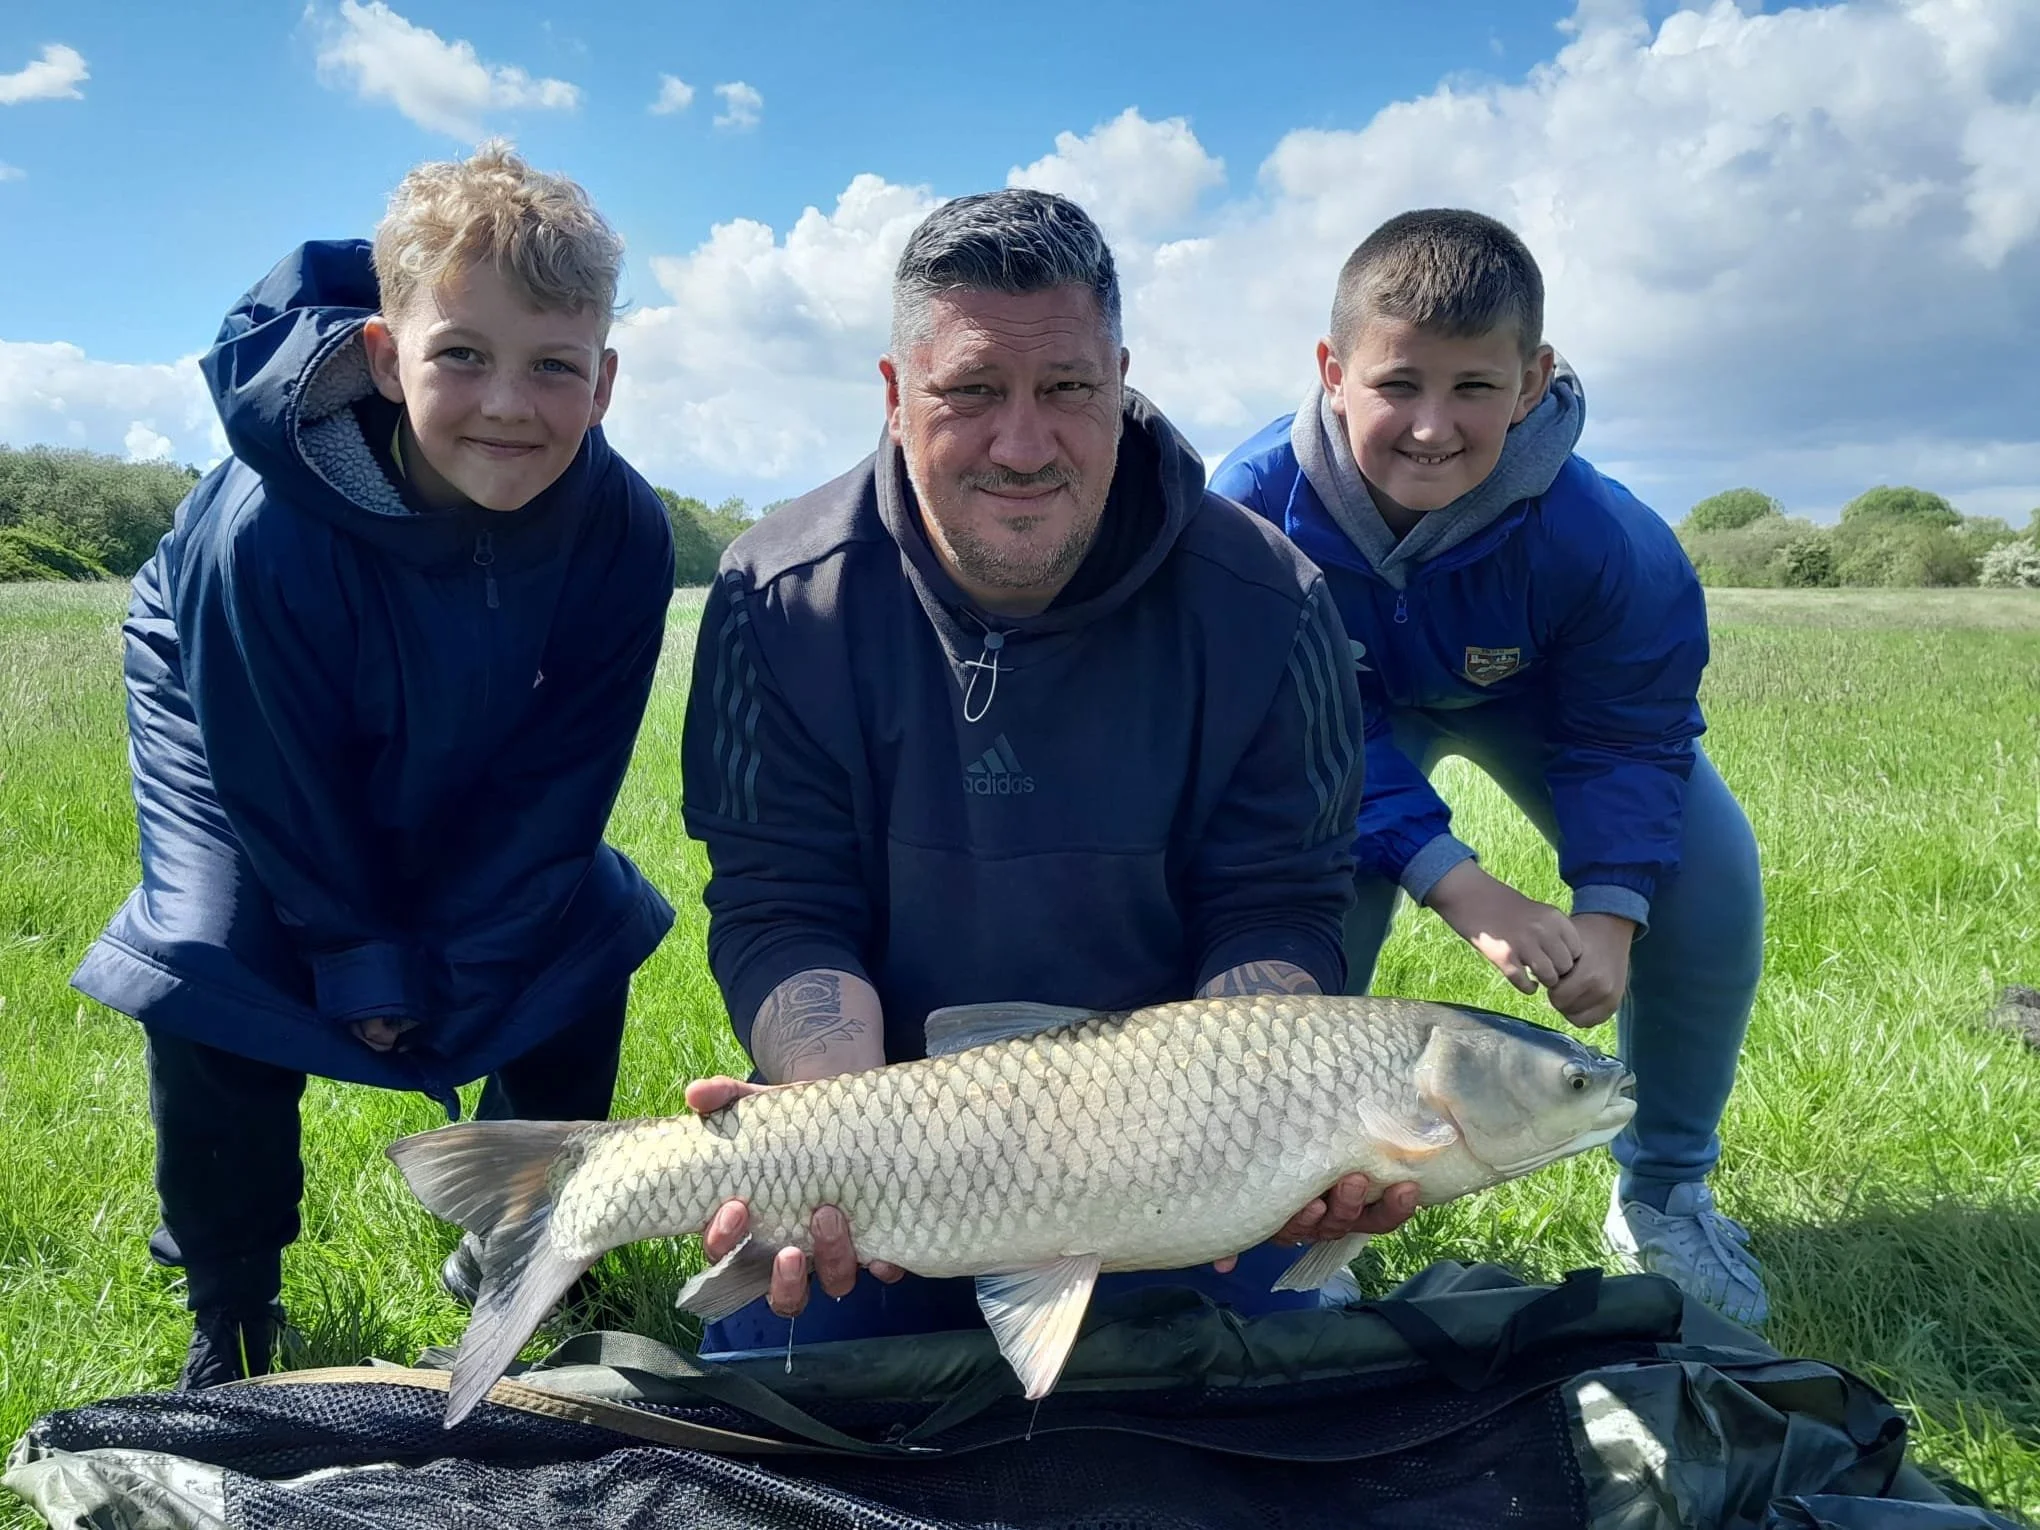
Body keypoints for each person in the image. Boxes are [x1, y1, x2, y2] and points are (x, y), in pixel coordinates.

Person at [677, 188, 1417, 1351]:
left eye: (1068, 390)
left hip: (1183, 1183)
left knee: (1266, 1408)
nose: (1023, 445)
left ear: (1119, 380)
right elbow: (781, 904)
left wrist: (1273, 1137)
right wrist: (829, 1129)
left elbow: (1278, 904)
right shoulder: (776, 598)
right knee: (794, 1391)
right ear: (895, 392)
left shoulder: (1275, 605)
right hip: (888, 1167)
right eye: (971, 391)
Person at [70, 142, 677, 1389]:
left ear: (605, 383)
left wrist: (474, 959)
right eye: (462, 355)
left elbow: (564, 779)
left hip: (463, 692)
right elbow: (278, 776)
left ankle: (523, 1235)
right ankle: (231, 1303)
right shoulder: (265, 526)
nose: (509, 404)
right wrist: (361, 960)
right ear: (385, 357)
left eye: (553, 366)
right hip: (227, 705)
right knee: (211, 958)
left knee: (580, 927)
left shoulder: (622, 530)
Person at [1208, 209, 1768, 1324]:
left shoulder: (1611, 538)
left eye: (1474, 387)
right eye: (1397, 383)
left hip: (1540, 708)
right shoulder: (1249, 507)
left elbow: (1629, 733)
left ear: (1533, 380)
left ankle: (1664, 1190)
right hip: (1342, 724)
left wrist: (1611, 913)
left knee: (1708, 885)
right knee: (1308, 890)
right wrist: (1454, 879)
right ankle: (1300, 1198)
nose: (1430, 426)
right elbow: (1295, 730)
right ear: (1331, 370)